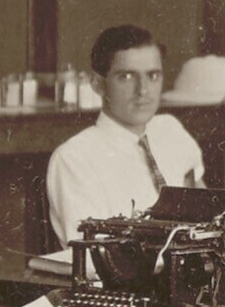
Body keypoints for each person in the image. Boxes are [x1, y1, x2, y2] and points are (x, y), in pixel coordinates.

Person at [44, 25, 207, 241]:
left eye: (153, 75)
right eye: (126, 77)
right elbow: (92, 253)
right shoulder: (73, 158)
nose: (143, 90)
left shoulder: (170, 130)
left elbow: (207, 217)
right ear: (98, 84)